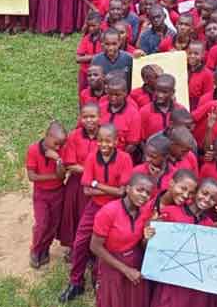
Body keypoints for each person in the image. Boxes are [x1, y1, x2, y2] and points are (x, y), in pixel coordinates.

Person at [60, 124, 134, 303]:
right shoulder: (92, 157)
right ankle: (76, 281)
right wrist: (110, 189)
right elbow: (87, 190)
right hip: (94, 207)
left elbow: (122, 192)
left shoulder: (125, 158)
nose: (103, 144)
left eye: (108, 141)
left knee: (105, 246)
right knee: (79, 242)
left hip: (115, 209)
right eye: (100, 141)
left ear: (116, 141)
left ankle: (97, 279)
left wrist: (96, 184)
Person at [148, 178, 217, 307]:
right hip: (170, 280)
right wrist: (151, 232)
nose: (207, 199)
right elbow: (150, 245)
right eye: (204, 193)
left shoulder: (208, 224)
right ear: (195, 192)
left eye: (213, 198)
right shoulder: (170, 212)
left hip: (193, 284)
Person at [90, 174, 155, 307]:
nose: (144, 195)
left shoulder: (144, 212)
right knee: (114, 299)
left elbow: (140, 243)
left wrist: (146, 238)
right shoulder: (108, 212)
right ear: (128, 189)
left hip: (135, 260)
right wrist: (126, 270)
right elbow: (95, 247)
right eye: (140, 190)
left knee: (133, 300)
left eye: (148, 193)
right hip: (112, 262)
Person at [60, 103, 100, 252]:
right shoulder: (74, 136)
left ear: (99, 117)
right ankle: (74, 248)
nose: (89, 120)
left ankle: (91, 250)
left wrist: (84, 169)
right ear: (80, 119)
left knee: (91, 219)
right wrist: (92, 171)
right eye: (85, 117)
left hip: (97, 187)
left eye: (93, 116)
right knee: (74, 215)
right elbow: (70, 164)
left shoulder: (104, 136)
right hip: (76, 185)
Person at [26, 121, 67, 268]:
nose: (58, 147)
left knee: (53, 224)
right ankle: (35, 250)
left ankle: (45, 248)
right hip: (41, 194)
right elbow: (32, 176)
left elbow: (62, 176)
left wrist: (58, 159)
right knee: (42, 224)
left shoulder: (60, 151)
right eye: (56, 144)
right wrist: (54, 176)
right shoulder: (33, 150)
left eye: (61, 145)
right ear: (48, 136)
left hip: (58, 192)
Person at [99, 76, 141, 156]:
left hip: (120, 156)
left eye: (117, 95)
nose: (113, 98)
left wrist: (116, 157)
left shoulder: (133, 114)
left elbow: (132, 144)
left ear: (125, 93)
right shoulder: (100, 108)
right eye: (110, 94)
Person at [139, 74, 184, 141]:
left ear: (172, 92)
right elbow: (140, 139)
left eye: (164, 92)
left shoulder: (180, 110)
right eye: (157, 91)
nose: (160, 95)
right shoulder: (144, 111)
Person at [75, 12, 102, 91]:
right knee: (83, 91)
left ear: (100, 24)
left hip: (100, 72)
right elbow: (78, 58)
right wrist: (96, 56)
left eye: (94, 26)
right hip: (85, 71)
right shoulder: (86, 39)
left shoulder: (105, 38)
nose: (91, 28)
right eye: (89, 26)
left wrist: (86, 57)